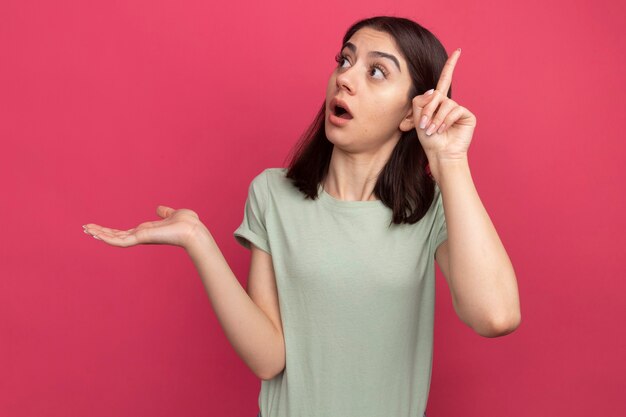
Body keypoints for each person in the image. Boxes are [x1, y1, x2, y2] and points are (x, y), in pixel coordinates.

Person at [83, 15, 521, 417]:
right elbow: (269, 358)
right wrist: (198, 239)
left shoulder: (430, 210)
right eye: (344, 60)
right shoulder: (273, 194)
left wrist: (449, 161)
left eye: (375, 71)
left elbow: (496, 316)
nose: (344, 78)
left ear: (411, 112)